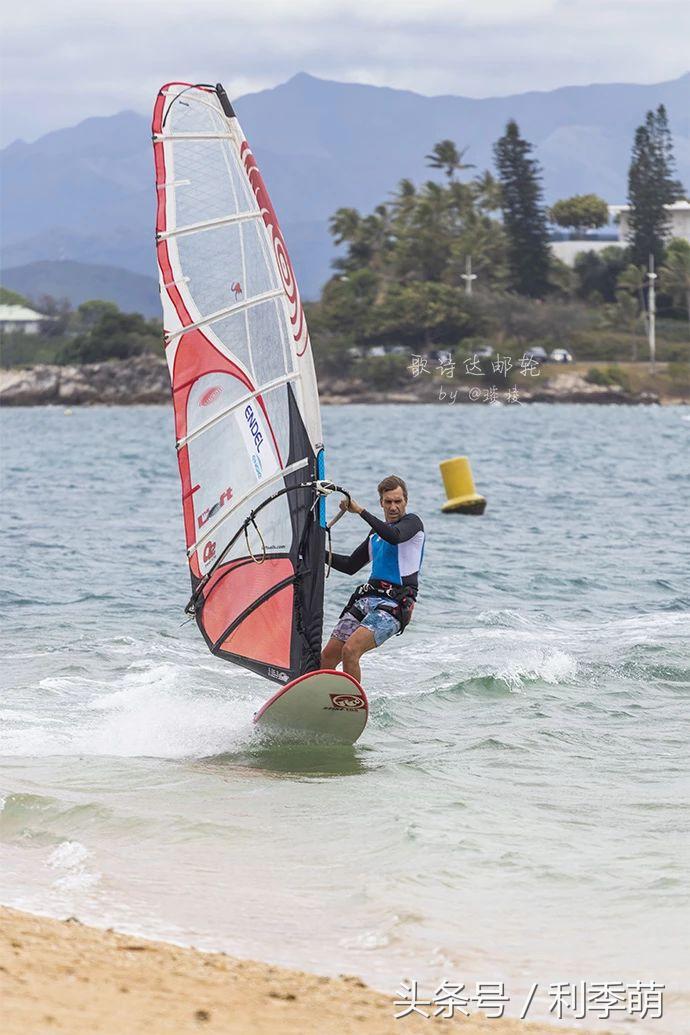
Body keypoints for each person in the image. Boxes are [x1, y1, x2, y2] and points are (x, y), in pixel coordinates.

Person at [321, 475, 425, 682]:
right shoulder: (375, 534)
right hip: (367, 599)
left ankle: (349, 704)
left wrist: (359, 510)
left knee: (350, 650)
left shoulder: (413, 524)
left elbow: (394, 536)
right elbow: (350, 565)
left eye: (398, 501)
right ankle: (317, 700)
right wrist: (317, 552)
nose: (393, 507)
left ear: (406, 501)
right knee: (327, 657)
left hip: (395, 605)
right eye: (388, 502)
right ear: (381, 503)